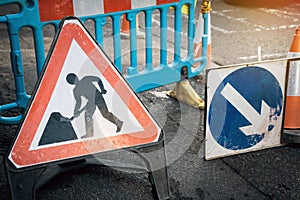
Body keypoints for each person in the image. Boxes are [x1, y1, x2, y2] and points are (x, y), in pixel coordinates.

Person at [66, 73, 123, 138]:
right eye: (72, 81)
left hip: (98, 97)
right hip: (91, 102)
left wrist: (102, 89)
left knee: (105, 114)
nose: (75, 81)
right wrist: (76, 111)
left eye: (74, 79)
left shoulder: (85, 79)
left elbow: (98, 79)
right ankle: (89, 133)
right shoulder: (76, 90)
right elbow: (78, 102)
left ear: (76, 77)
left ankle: (118, 122)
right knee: (88, 116)